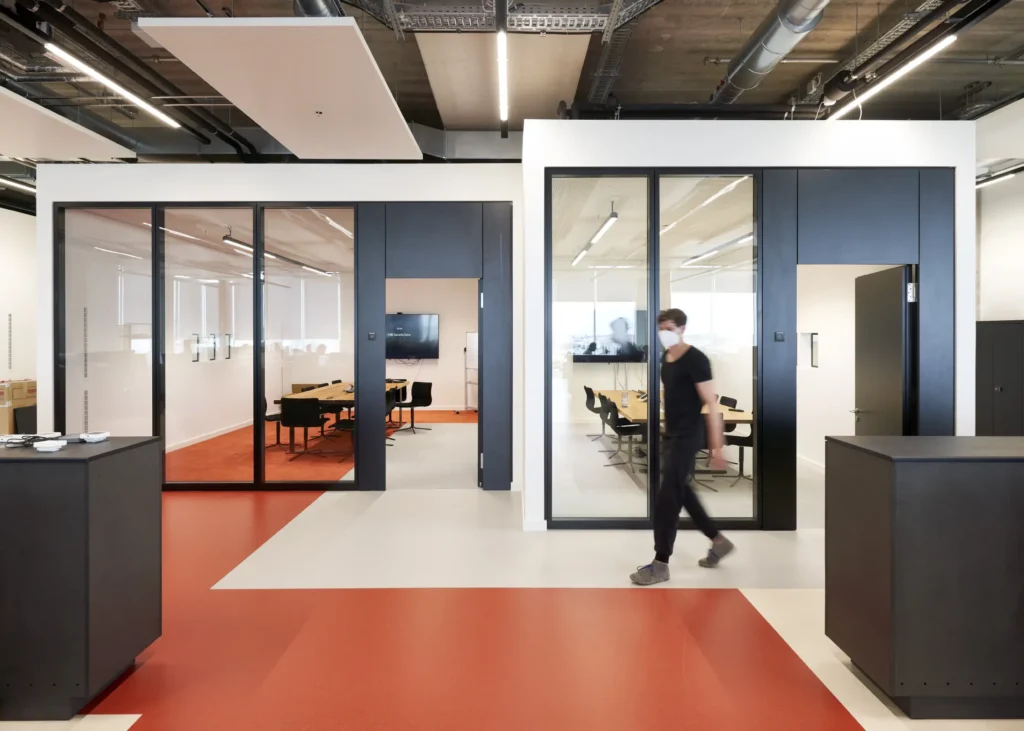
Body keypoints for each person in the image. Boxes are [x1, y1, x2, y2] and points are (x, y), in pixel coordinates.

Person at [630, 308, 734, 585]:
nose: (664, 332)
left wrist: (717, 446)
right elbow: (676, 392)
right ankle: (718, 540)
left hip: (689, 436)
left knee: (667, 499)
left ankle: (660, 563)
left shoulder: (696, 359)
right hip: (672, 434)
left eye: (669, 327)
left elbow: (710, 403)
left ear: (682, 328)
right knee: (682, 491)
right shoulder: (667, 357)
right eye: (661, 328)